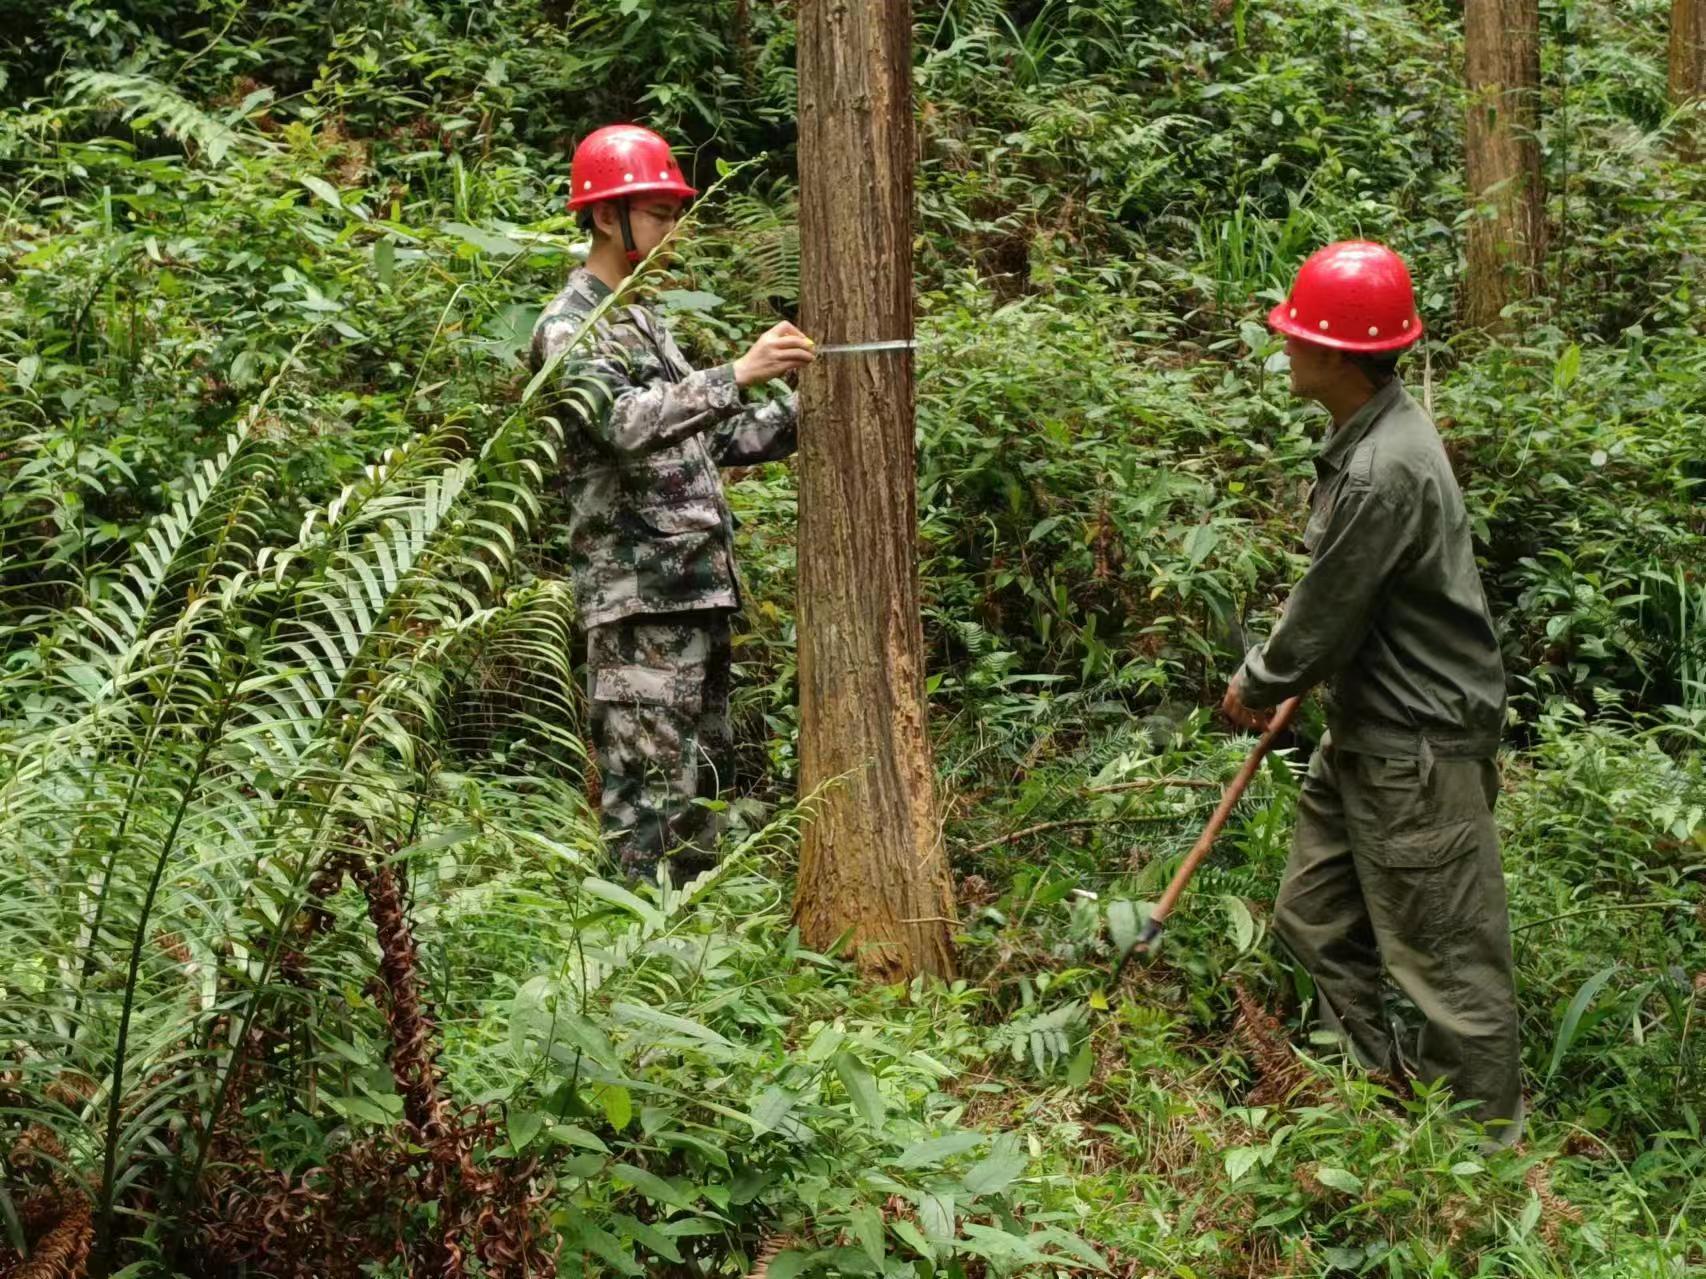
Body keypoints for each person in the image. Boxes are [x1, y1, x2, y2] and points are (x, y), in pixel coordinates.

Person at [1221, 241, 1522, 1143]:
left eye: (1296, 337)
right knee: (1312, 917)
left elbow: (1327, 606)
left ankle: (1480, 1160)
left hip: (1416, 750)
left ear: (1336, 356)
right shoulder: (1370, 438)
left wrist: (1258, 682)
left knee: (1448, 968)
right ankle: (1377, 1104)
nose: (1285, 350)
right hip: (1366, 732)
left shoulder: (1385, 467)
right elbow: (1346, 606)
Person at [531, 123, 815, 882]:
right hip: (638, 605)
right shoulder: (567, 327)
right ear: (603, 215)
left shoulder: (642, 319)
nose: (670, 228)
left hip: (695, 593)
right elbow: (624, 425)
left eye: (672, 211)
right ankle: (628, 961)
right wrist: (737, 373)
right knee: (646, 798)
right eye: (656, 212)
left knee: (700, 790)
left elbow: (706, 445)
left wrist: (801, 414)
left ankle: (688, 963)